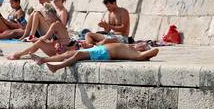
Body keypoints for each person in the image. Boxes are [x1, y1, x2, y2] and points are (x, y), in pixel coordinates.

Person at [30, 43, 159, 73]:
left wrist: (147, 49)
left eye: (144, 45)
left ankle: (57, 67)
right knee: (70, 53)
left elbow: (155, 51)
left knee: (78, 55)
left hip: (104, 53)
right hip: (99, 48)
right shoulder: (131, 46)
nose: (143, 43)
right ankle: (43, 60)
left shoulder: (136, 54)